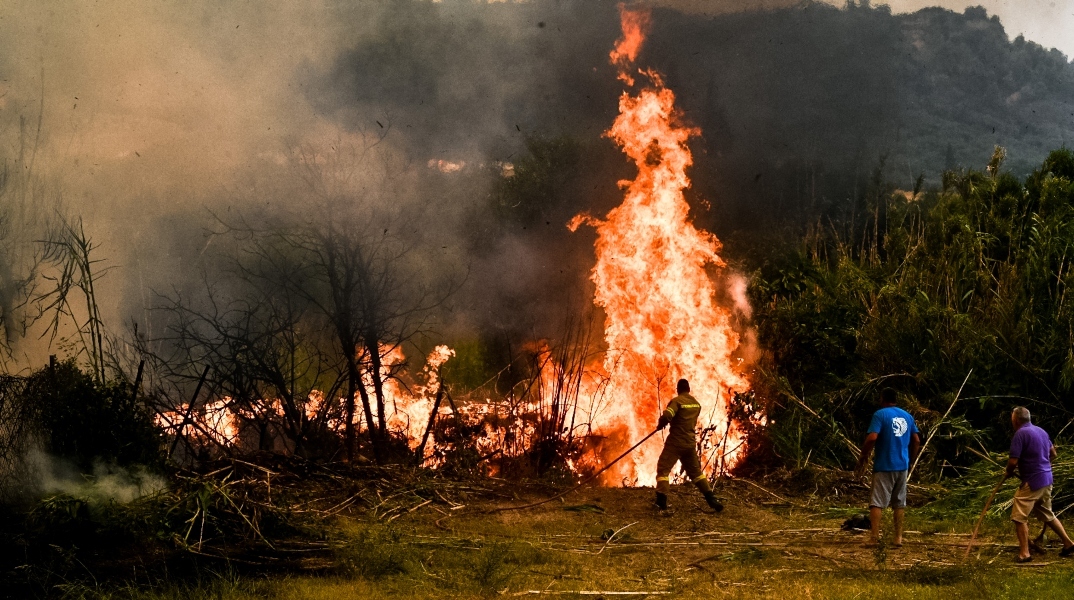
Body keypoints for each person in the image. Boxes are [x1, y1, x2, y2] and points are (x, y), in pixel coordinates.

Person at [1005, 406, 1074, 562]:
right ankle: (1068, 543)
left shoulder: (1020, 434)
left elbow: (1013, 461)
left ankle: (1024, 553)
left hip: (1033, 482)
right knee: (1047, 514)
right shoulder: (1041, 431)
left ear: (1015, 420)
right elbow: (1053, 454)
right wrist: (1042, 466)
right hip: (1047, 479)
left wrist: (1008, 472)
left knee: (1019, 517)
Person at [855, 388, 920, 546]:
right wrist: (911, 460)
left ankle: (874, 538)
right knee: (899, 503)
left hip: (884, 465)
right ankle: (898, 538)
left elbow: (872, 438)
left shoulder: (880, 415)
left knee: (877, 502)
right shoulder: (907, 416)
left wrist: (863, 455)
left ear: (882, 398)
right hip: (902, 465)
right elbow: (916, 440)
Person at [654, 378, 723, 512]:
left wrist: (661, 423)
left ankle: (661, 501)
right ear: (689, 389)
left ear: (678, 390)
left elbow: (668, 415)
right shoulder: (696, 404)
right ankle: (712, 499)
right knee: (696, 473)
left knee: (663, 468)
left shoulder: (677, 401)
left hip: (675, 442)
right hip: (690, 443)